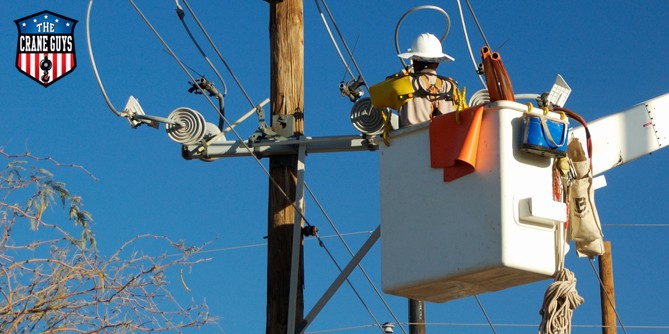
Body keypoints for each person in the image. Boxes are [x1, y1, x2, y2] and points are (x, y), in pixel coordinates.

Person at [397, 33, 459, 128]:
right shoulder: (451, 87)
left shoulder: (403, 83)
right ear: (437, 63)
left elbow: (377, 99)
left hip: (412, 140)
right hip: (447, 139)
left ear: (414, 61)